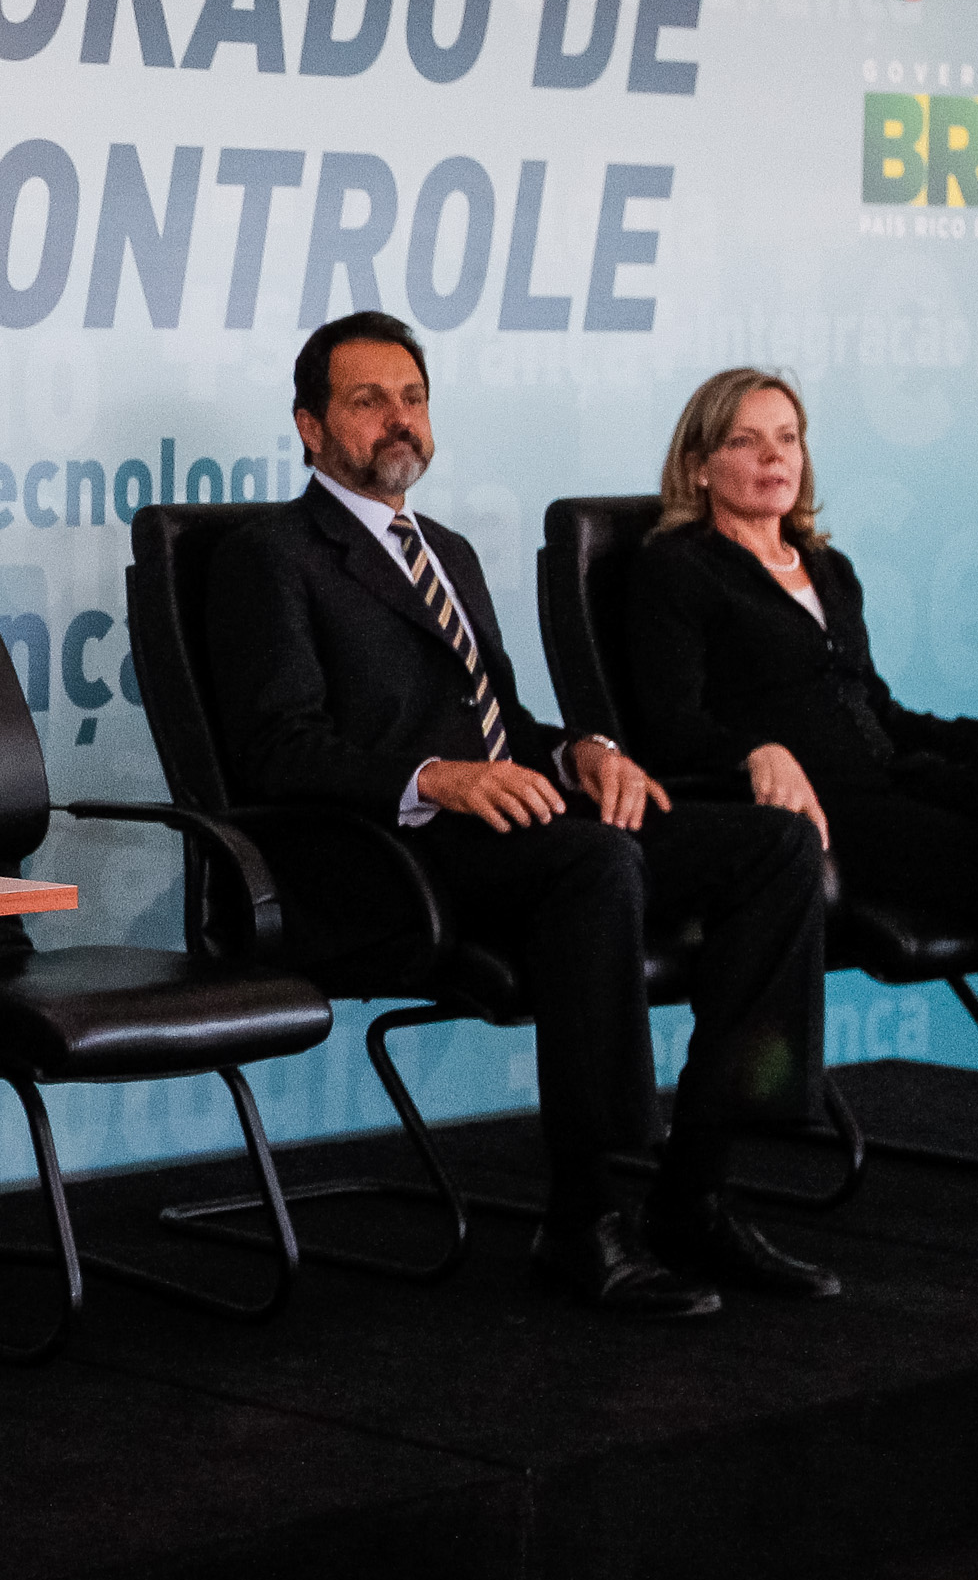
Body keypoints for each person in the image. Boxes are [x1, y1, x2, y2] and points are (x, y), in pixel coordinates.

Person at [206, 312, 832, 1318]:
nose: (395, 420)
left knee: (773, 846)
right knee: (595, 863)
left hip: (516, 822)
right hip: (389, 854)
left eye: (410, 398)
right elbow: (275, 746)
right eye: (366, 402)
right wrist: (432, 777)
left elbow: (500, 720)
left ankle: (695, 1187)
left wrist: (582, 750)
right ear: (309, 428)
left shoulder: (442, 547)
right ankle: (582, 1220)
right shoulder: (270, 555)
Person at [623, 367, 978, 887]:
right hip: (816, 803)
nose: (775, 456)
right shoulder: (677, 569)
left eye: (788, 438)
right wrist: (755, 752)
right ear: (699, 467)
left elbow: (875, 709)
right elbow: (670, 725)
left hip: (894, 774)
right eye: (746, 441)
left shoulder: (831, 568)